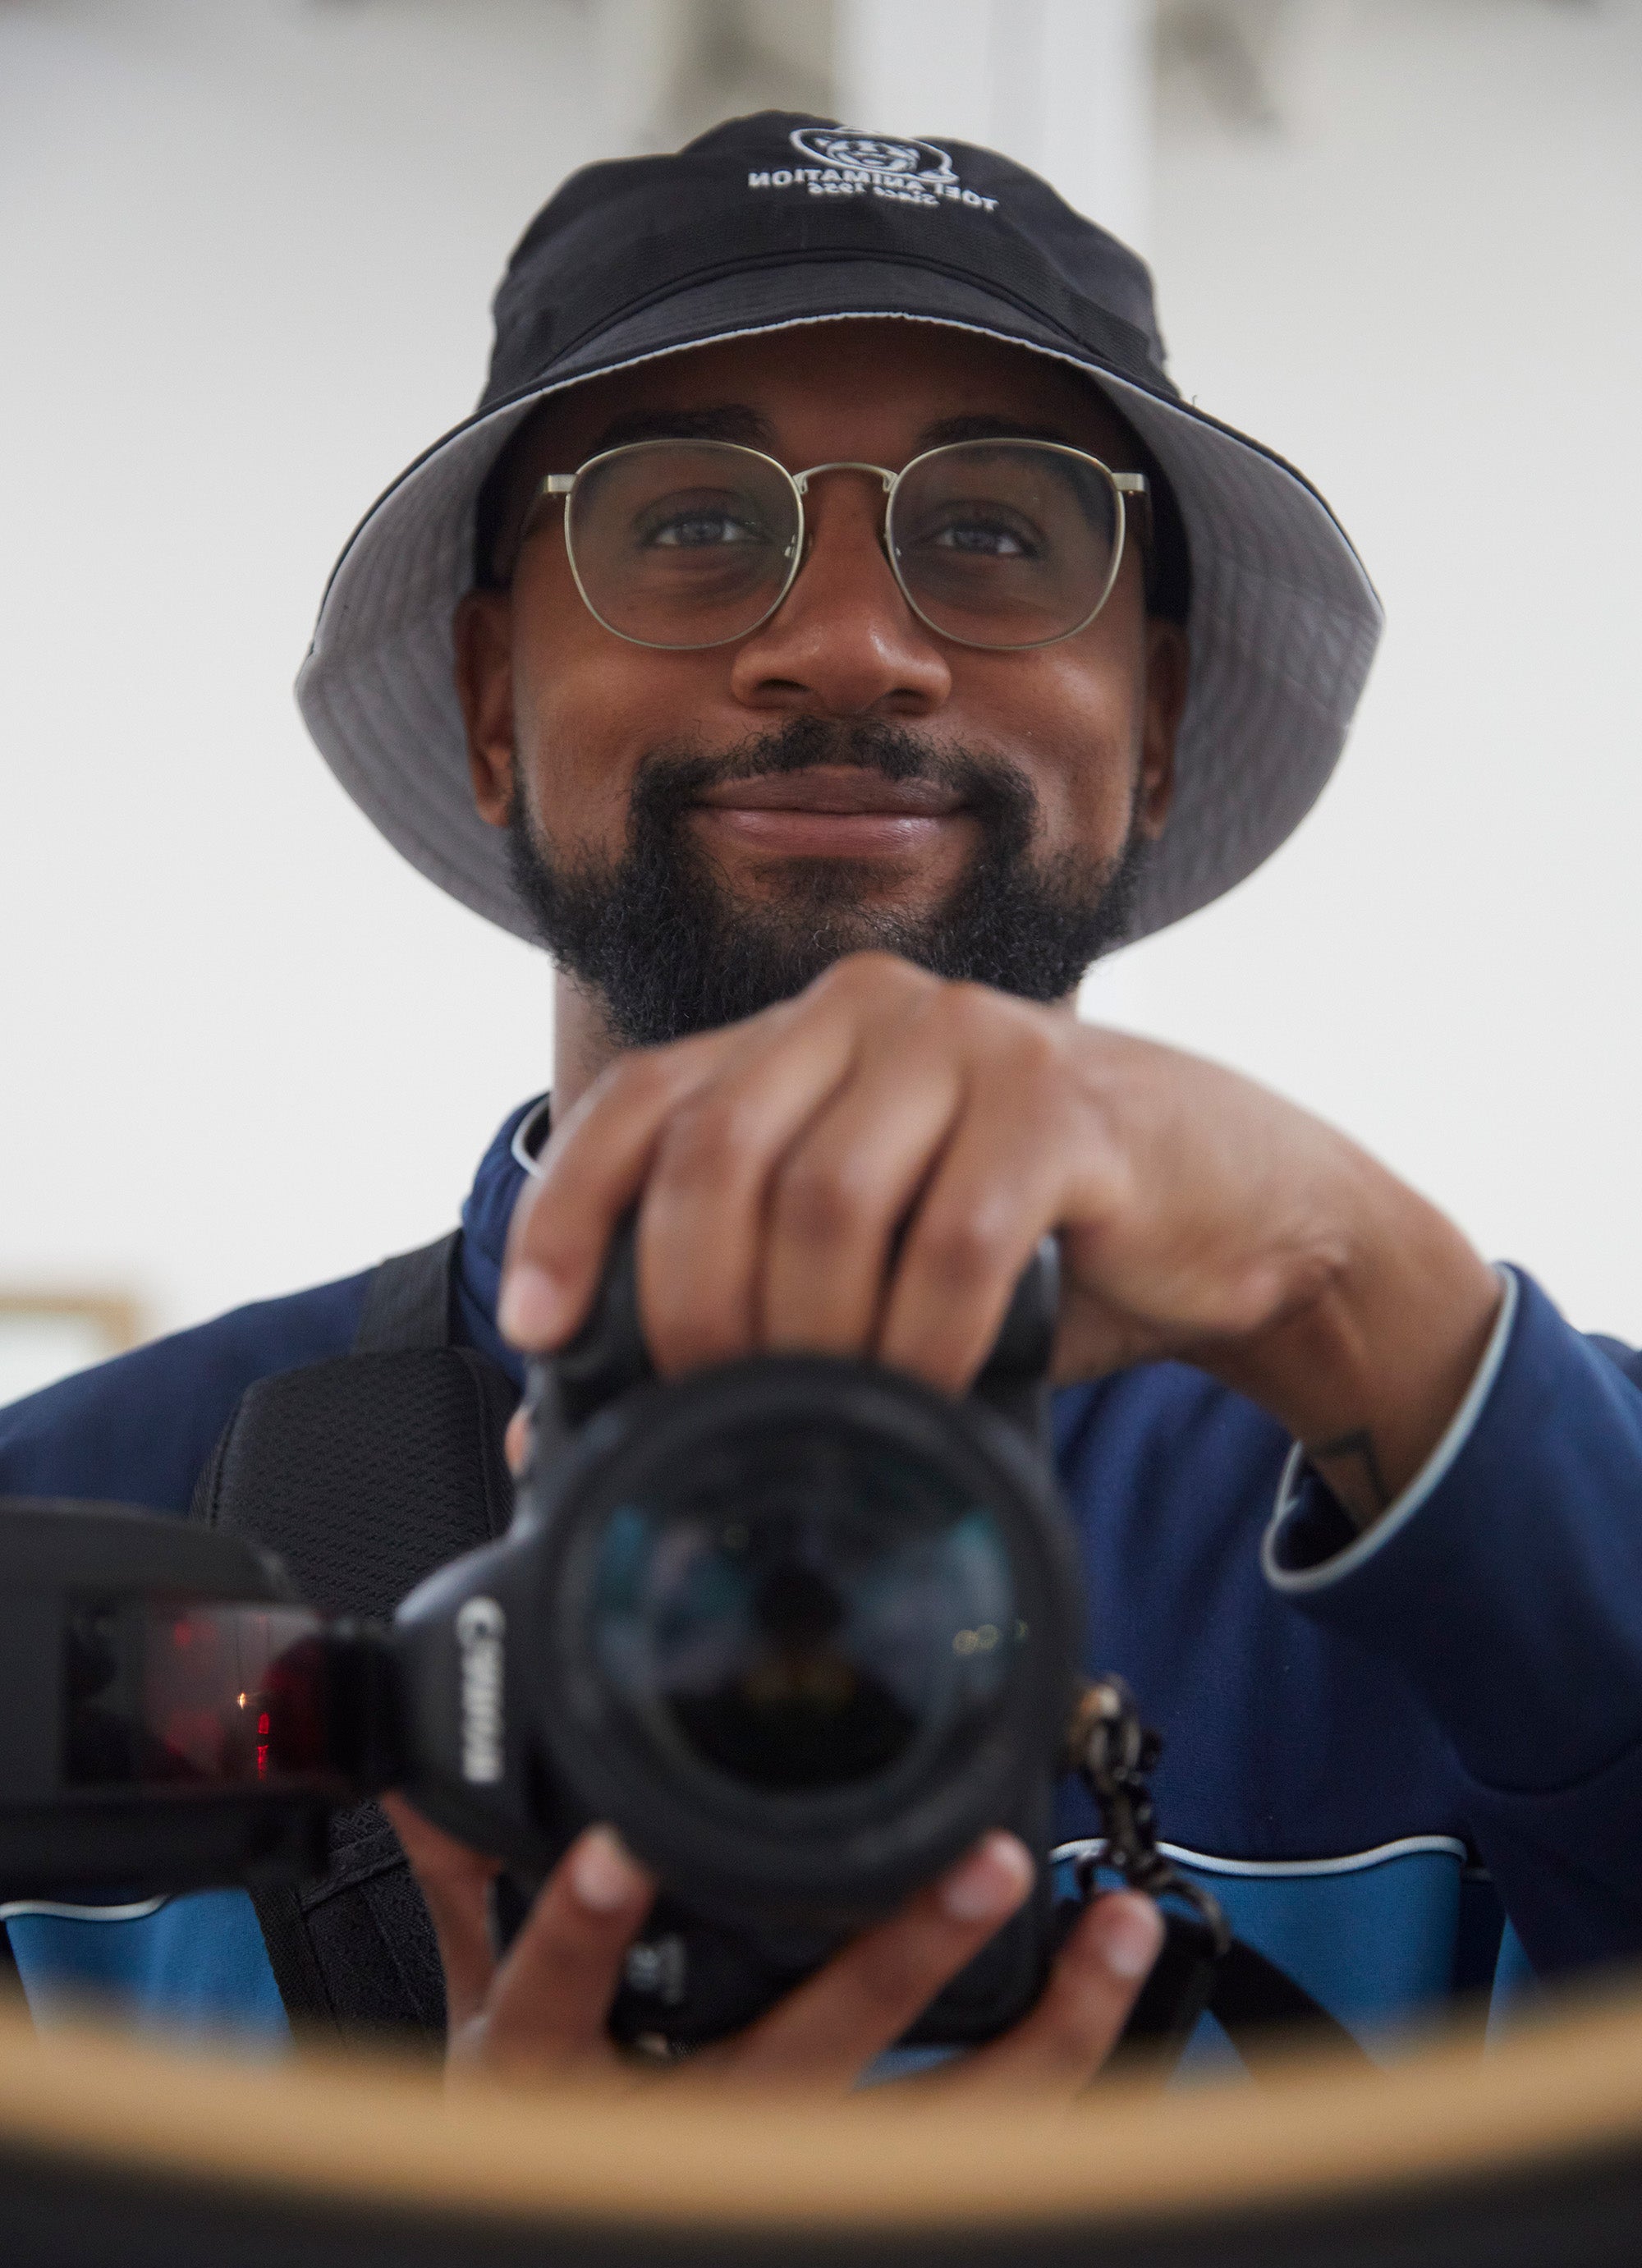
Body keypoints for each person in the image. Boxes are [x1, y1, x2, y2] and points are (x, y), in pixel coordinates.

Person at [4, 114, 1640, 2092]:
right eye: (691, 522)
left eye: (994, 535)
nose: (848, 646)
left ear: (1161, 727)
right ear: (492, 703)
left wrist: (1346, 1279)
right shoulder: (69, 1560)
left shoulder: (1479, 1522)